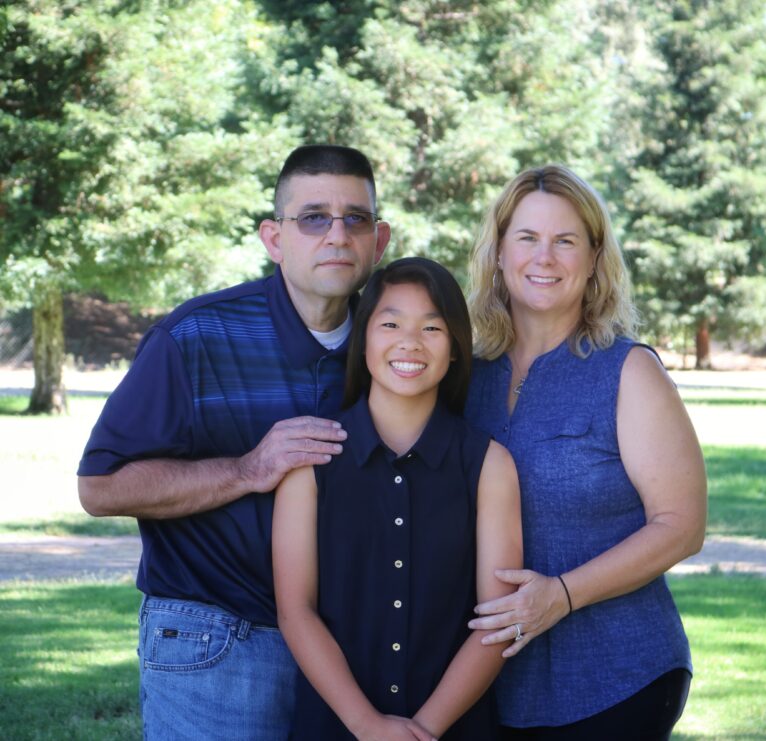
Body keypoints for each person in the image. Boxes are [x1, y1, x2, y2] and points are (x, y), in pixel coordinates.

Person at [77, 144, 391, 740]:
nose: (337, 235)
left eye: (357, 218)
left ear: (379, 239)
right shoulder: (195, 336)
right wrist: (248, 469)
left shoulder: (394, 344)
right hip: (217, 640)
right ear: (274, 238)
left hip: (350, 650)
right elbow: (100, 486)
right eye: (314, 217)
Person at [464, 165, 707, 740]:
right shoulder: (464, 375)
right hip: (487, 688)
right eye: (527, 238)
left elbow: (682, 525)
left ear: (595, 258)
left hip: (618, 679)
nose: (544, 257)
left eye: (565, 241)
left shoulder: (627, 370)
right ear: (499, 252)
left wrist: (563, 596)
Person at [273, 257, 523, 741]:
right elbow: (295, 611)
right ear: (363, 336)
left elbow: (499, 620)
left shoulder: (489, 465)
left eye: (432, 327)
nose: (410, 342)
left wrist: (422, 731)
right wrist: (367, 727)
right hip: (335, 725)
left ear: (454, 348)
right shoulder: (311, 462)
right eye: (390, 323)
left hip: (454, 727)